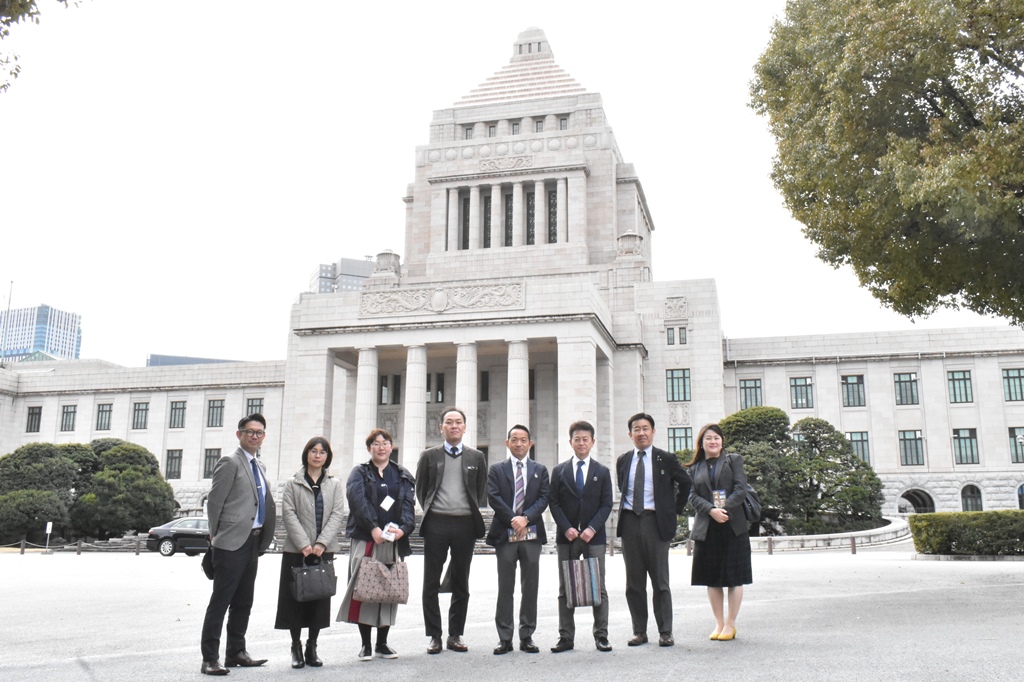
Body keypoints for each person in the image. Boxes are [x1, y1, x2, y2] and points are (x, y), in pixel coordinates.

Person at [200, 413, 278, 676]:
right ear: (239, 434)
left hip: (253, 541)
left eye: (260, 432)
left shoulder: (261, 466)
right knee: (221, 601)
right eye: (250, 432)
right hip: (230, 542)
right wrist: (215, 535)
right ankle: (210, 658)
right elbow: (214, 502)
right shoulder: (229, 462)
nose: (255, 436)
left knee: (244, 601)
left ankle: (236, 652)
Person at [615, 412, 692, 648]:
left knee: (660, 581)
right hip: (629, 522)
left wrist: (673, 511)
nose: (641, 433)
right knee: (634, 583)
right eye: (636, 429)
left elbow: (686, 482)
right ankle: (639, 631)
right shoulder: (624, 460)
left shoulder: (665, 459)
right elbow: (623, 487)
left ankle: (665, 631)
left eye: (645, 428)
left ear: (653, 432)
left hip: (655, 523)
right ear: (630, 434)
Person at [338, 428, 416, 660]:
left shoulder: (402, 474)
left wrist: (403, 529)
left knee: (388, 588)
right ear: (369, 448)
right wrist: (373, 527)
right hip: (366, 537)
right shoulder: (360, 473)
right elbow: (357, 501)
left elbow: (408, 505)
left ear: (391, 447)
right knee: (364, 587)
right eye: (376, 443)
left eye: (385, 443)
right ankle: (366, 644)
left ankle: (382, 643)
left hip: (391, 540)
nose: (381, 447)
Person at [415, 407, 487, 654]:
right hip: (437, 522)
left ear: (465, 427)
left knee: (461, 580)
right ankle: (434, 634)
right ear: (441, 427)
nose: (454, 426)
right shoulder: (429, 456)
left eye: (458, 422)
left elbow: (480, 489)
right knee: (431, 581)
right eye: (449, 422)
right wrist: (433, 509)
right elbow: (421, 489)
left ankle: (455, 634)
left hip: (465, 524)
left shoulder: (476, 457)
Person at [274, 436, 345, 669]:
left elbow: (337, 514)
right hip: (297, 551)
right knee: (294, 599)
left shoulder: (334, 484)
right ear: (306, 454)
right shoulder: (292, 483)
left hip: (322, 551)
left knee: (319, 599)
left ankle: (312, 646)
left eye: (322, 452)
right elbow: (289, 514)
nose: (317, 455)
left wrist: (322, 543)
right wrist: (304, 544)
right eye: (313, 451)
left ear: (327, 457)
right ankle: (295, 646)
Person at [548, 420, 613, 653]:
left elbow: (606, 504)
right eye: (577, 439)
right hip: (567, 538)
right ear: (571, 442)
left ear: (592, 442)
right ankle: (566, 637)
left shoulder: (602, 472)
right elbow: (553, 502)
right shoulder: (559, 471)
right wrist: (566, 527)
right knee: (566, 587)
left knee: (599, 586)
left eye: (586, 439)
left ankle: (601, 635)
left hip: (593, 538)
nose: (582, 443)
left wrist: (592, 528)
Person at [486, 424, 549, 655]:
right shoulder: (497, 469)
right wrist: (514, 519)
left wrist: (526, 518)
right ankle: (504, 637)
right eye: (514, 439)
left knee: (530, 587)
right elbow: (493, 497)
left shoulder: (540, 469)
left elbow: (543, 498)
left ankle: (527, 635)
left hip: (531, 535)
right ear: (507, 443)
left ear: (530, 443)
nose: (519, 444)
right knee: (505, 587)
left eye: (523, 440)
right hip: (505, 533)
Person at [687, 423, 752, 642]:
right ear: (702, 443)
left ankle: (731, 624)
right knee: (712, 579)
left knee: (735, 578)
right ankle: (719, 622)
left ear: (722, 441)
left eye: (716, 438)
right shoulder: (695, 467)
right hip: (708, 528)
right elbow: (692, 496)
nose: (713, 441)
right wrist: (711, 511)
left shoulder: (734, 461)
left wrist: (723, 510)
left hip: (733, 526)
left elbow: (741, 489)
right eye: (708, 438)